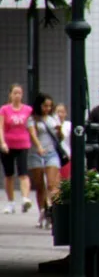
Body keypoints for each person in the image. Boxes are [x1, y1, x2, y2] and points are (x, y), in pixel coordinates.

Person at [26, 93, 61, 227]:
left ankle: (52, 212)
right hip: (36, 154)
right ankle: (42, 211)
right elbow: (33, 134)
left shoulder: (53, 118)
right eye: (45, 106)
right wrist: (39, 147)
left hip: (52, 153)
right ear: (39, 105)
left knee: (52, 185)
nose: (47, 108)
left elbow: (60, 138)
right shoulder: (32, 119)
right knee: (40, 185)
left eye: (50, 106)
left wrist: (60, 131)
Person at [0, 84, 33, 214]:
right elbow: (1, 127)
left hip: (23, 144)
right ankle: (10, 202)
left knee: (23, 173)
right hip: (8, 145)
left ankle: (25, 198)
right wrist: (2, 142)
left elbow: (31, 127)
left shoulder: (28, 110)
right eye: (15, 93)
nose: (17, 95)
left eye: (19, 93)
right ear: (10, 94)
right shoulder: (4, 109)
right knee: (9, 175)